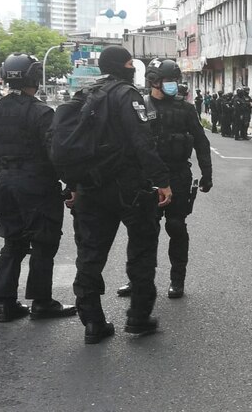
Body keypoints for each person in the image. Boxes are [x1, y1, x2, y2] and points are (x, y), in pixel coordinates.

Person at [71, 45, 171, 344]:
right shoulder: (126, 94)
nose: (132, 67)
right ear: (119, 66)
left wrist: (72, 184)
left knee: (89, 255)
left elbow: (69, 144)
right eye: (129, 62)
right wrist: (163, 180)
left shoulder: (85, 94)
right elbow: (141, 141)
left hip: (89, 187)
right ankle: (138, 318)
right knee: (141, 251)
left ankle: (92, 323)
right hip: (128, 187)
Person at [0, 53, 76, 322]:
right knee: (43, 242)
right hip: (36, 184)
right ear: (35, 77)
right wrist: (70, 183)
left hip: (5, 182)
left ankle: (5, 304)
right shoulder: (41, 112)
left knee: (12, 241)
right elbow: (55, 153)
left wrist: (2, 172)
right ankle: (41, 302)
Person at [116, 58, 212, 300]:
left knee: (176, 227)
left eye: (175, 81)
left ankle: (177, 280)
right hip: (147, 179)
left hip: (178, 174)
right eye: (169, 81)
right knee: (142, 232)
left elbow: (201, 142)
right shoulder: (139, 106)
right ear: (153, 81)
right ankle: (137, 279)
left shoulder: (185, 109)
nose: (173, 85)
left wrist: (207, 174)